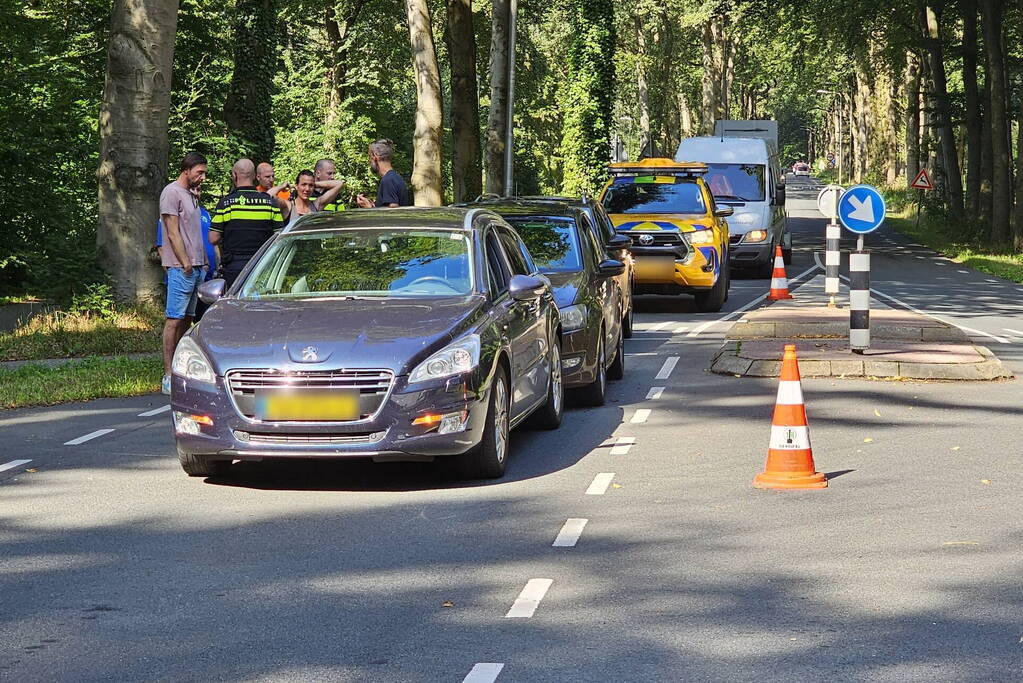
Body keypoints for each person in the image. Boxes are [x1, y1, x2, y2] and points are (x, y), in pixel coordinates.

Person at [160, 151, 209, 395]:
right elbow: (172, 231)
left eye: (204, 173)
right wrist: (185, 262)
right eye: (199, 172)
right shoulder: (171, 193)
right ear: (186, 170)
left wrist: (203, 262)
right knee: (174, 319)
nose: (202, 177)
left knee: (188, 320)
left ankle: (182, 370)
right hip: (182, 268)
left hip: (198, 267)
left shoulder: (192, 195)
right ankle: (168, 374)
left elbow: (195, 230)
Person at [209, 159, 284, 289]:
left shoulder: (226, 204)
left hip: (234, 267)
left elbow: (213, 238)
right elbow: (279, 237)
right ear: (255, 176)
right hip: (263, 265)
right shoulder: (270, 204)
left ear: (234, 175)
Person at [356, 139, 412, 208]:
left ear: (375, 156)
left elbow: (393, 213)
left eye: (370, 157)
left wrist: (369, 208)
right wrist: (373, 206)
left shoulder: (388, 180)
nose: (369, 162)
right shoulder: (395, 177)